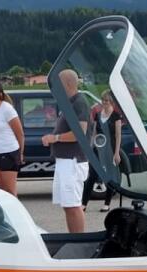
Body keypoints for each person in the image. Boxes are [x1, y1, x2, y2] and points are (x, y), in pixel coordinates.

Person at [42, 69, 90, 233]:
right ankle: (74, 238)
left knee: (73, 205)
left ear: (67, 84)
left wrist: (55, 138)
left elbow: (80, 132)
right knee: (67, 205)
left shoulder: (79, 103)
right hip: (65, 161)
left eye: (58, 83)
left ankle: (78, 241)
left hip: (73, 161)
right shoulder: (69, 103)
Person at [82, 90, 125, 212]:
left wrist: (116, 153)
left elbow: (118, 135)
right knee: (92, 176)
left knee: (109, 175)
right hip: (98, 149)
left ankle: (107, 203)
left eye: (107, 100)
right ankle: (84, 203)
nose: (104, 103)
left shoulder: (116, 116)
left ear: (111, 102)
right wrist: (90, 148)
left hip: (110, 150)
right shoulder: (98, 115)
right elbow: (94, 132)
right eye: (103, 100)